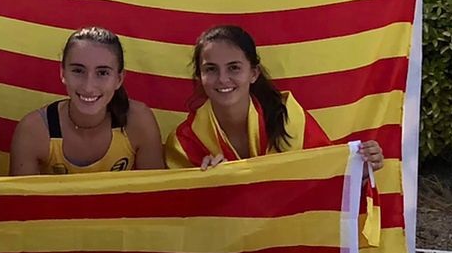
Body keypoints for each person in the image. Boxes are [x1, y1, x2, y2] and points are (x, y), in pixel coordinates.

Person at [164, 24, 386, 174]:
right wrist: (206, 188)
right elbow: (180, 215)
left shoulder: (287, 116)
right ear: (199, 77)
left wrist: (361, 170)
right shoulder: (184, 142)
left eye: (234, 68)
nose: (223, 79)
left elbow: (326, 175)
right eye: (211, 69)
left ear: (253, 73)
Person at [9, 28, 165, 174]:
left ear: (119, 79)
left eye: (102, 73)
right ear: (63, 73)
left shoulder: (138, 121)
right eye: (78, 70)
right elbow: (18, 201)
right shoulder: (34, 130)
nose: (89, 86)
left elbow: (158, 196)